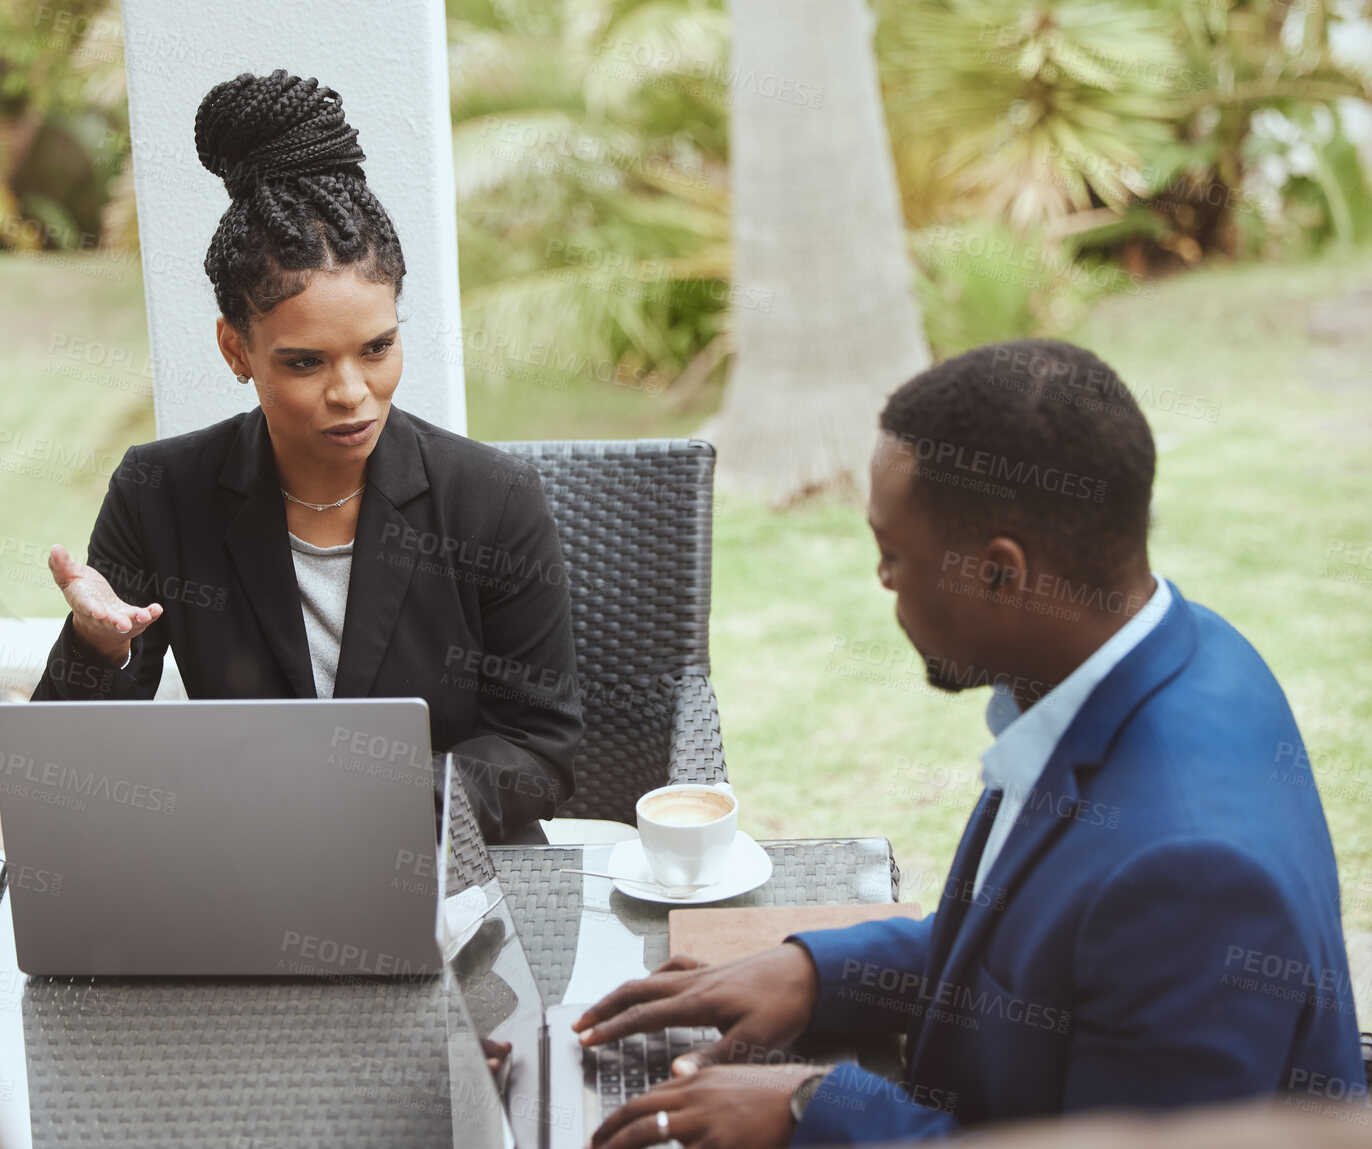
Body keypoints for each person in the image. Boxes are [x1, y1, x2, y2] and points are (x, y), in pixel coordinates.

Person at [572, 340, 1364, 1145]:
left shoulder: (1191, 875)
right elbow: (1022, 947)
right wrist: (814, 972)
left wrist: (811, 1103)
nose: (881, 579)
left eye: (893, 554)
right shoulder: (1165, 652)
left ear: (999, 574)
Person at [31, 70, 582, 845]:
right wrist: (99, 645)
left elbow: (541, 749)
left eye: (378, 348)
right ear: (236, 349)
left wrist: (357, 807)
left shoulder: (493, 500)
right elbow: (67, 768)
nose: (352, 392)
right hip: (256, 871)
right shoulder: (160, 493)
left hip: (447, 867)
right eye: (304, 363)